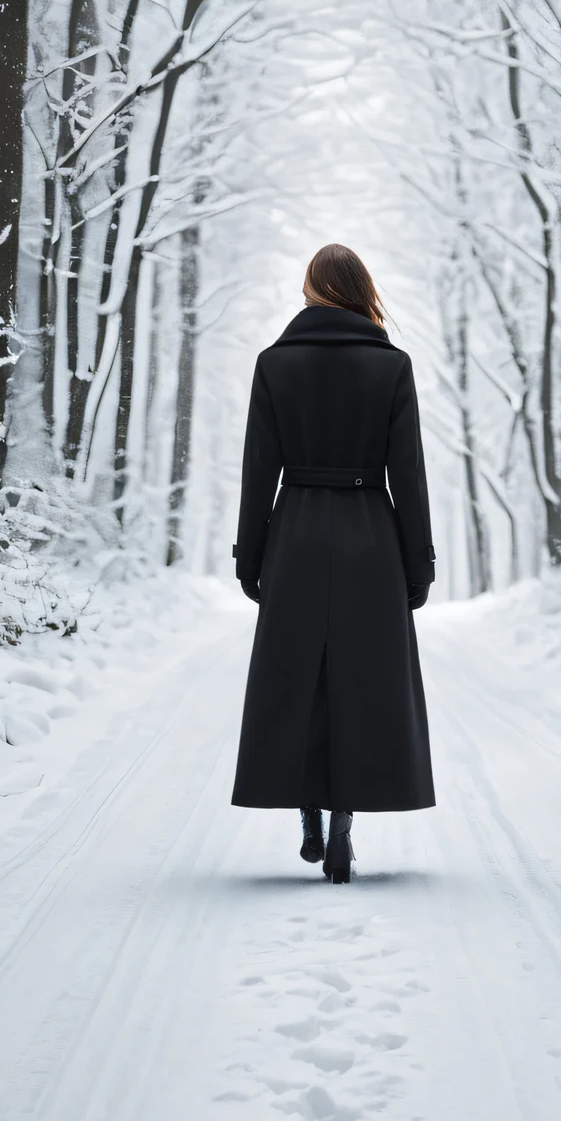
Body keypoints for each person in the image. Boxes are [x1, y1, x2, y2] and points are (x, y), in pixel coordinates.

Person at [231, 242, 436, 881]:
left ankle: (310, 816)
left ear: (311, 291)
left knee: (298, 679)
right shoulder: (392, 366)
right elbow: (409, 473)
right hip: (370, 533)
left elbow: (258, 469)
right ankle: (345, 818)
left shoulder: (274, 364)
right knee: (363, 680)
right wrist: (419, 561)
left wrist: (250, 555)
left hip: (294, 532)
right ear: (361, 290)